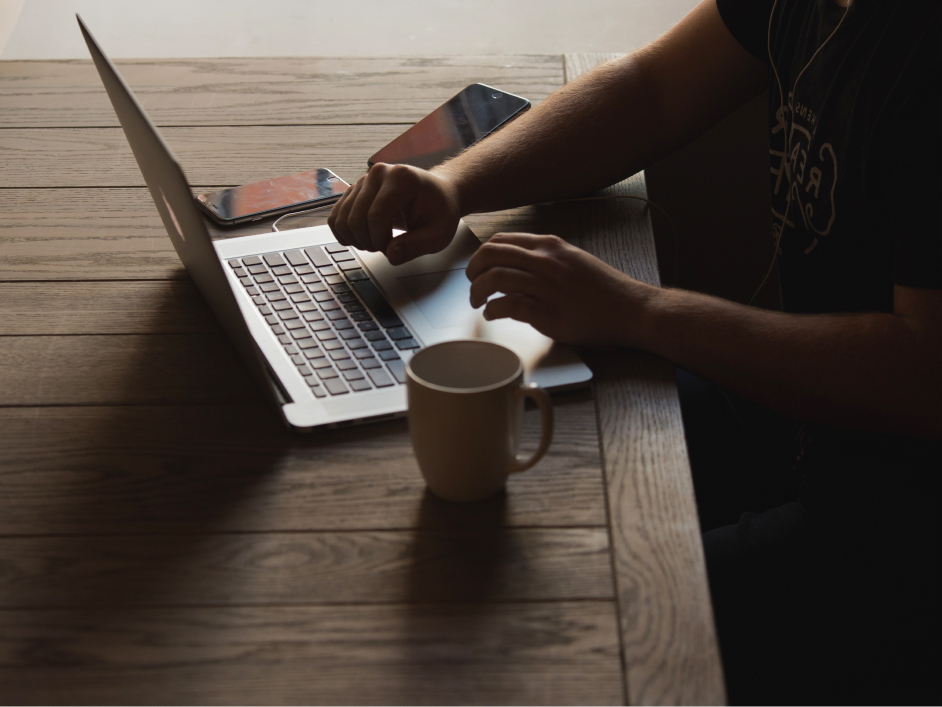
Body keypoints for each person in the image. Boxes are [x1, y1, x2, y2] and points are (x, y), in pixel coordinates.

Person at [329, 0, 941, 702]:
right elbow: (652, 91)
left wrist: (638, 309)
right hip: (802, 417)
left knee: (582, 629)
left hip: (901, 512)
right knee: (517, 443)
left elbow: (926, 371)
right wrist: (455, 183)